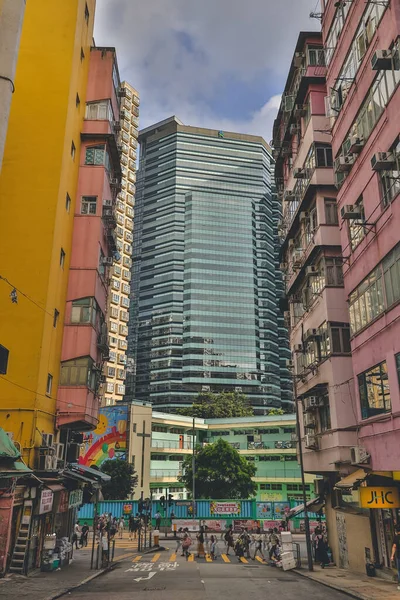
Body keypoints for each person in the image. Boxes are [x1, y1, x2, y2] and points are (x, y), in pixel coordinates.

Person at [391, 524, 400, 591]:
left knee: (399, 570)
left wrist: (392, 555)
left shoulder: (396, 537)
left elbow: (394, 546)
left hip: (399, 555)